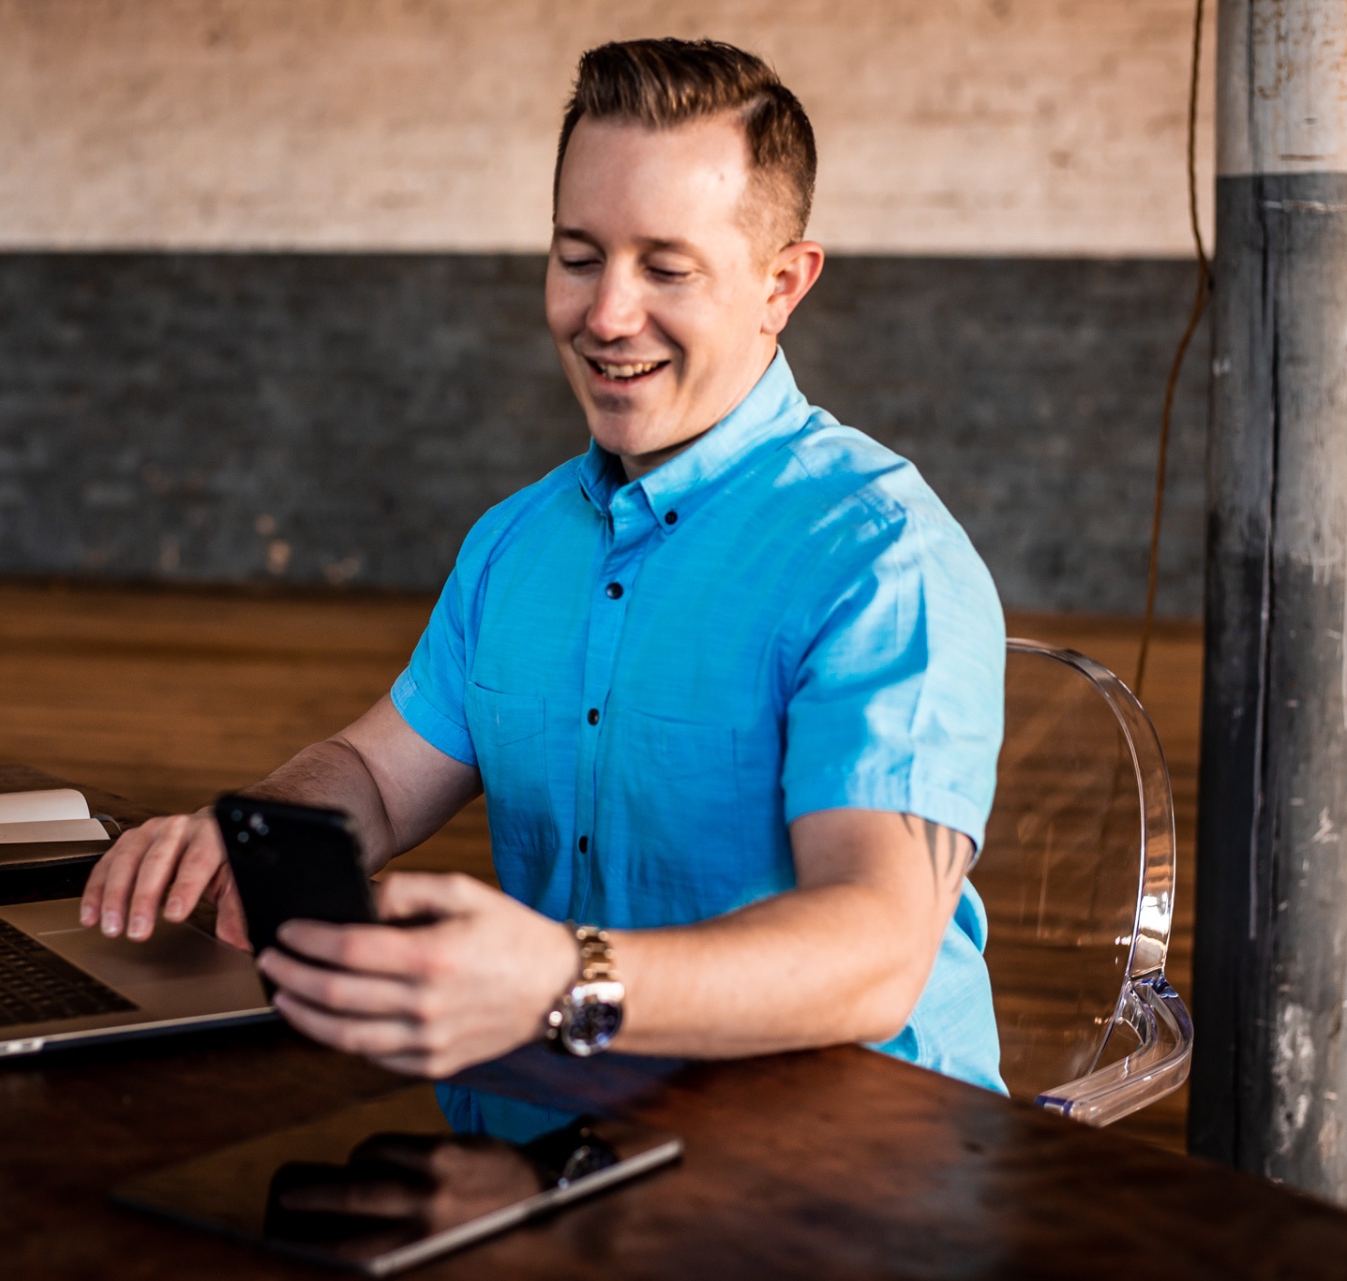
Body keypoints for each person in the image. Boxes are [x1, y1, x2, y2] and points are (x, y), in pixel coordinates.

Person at [81, 38, 1007, 1120]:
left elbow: (873, 951)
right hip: (551, 1146)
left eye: (666, 268)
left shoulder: (879, 557)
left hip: (840, 1173)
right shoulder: (516, 543)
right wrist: (249, 832)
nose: (606, 316)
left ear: (781, 285)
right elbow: (375, 781)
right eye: (578, 256)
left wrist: (565, 984)